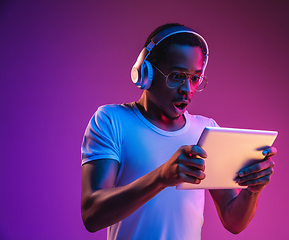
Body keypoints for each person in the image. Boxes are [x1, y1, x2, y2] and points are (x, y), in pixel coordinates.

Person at [81, 23, 277, 240]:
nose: (187, 89)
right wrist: (161, 177)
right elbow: (92, 215)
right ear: (145, 73)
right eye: (176, 76)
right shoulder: (111, 120)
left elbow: (233, 222)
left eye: (195, 78)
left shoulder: (206, 130)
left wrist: (252, 190)